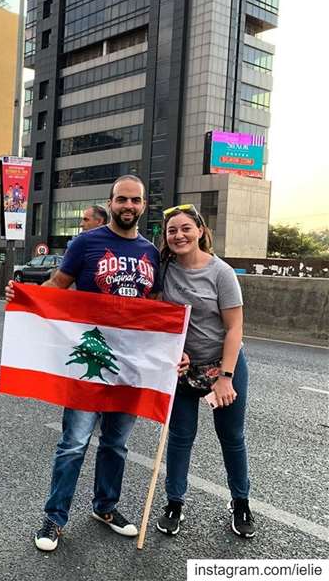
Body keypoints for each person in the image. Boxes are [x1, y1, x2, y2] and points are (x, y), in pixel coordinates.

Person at [6, 175, 166, 552]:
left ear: (143, 206)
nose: (129, 206)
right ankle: (54, 518)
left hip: (131, 365)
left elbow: (157, 308)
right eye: (122, 199)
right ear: (110, 202)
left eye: (136, 200)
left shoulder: (151, 252)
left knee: (116, 444)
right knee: (73, 443)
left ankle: (105, 507)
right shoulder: (85, 243)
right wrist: (25, 296)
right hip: (90, 361)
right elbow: (58, 284)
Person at [155, 204, 254, 538]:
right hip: (183, 369)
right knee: (180, 438)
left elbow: (235, 328)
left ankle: (241, 502)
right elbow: (155, 315)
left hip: (223, 366)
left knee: (232, 438)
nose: (179, 235)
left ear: (200, 231)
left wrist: (225, 377)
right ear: (166, 239)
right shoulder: (164, 268)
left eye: (186, 228)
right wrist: (173, 349)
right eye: (172, 231)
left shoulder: (221, 272)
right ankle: (174, 503)